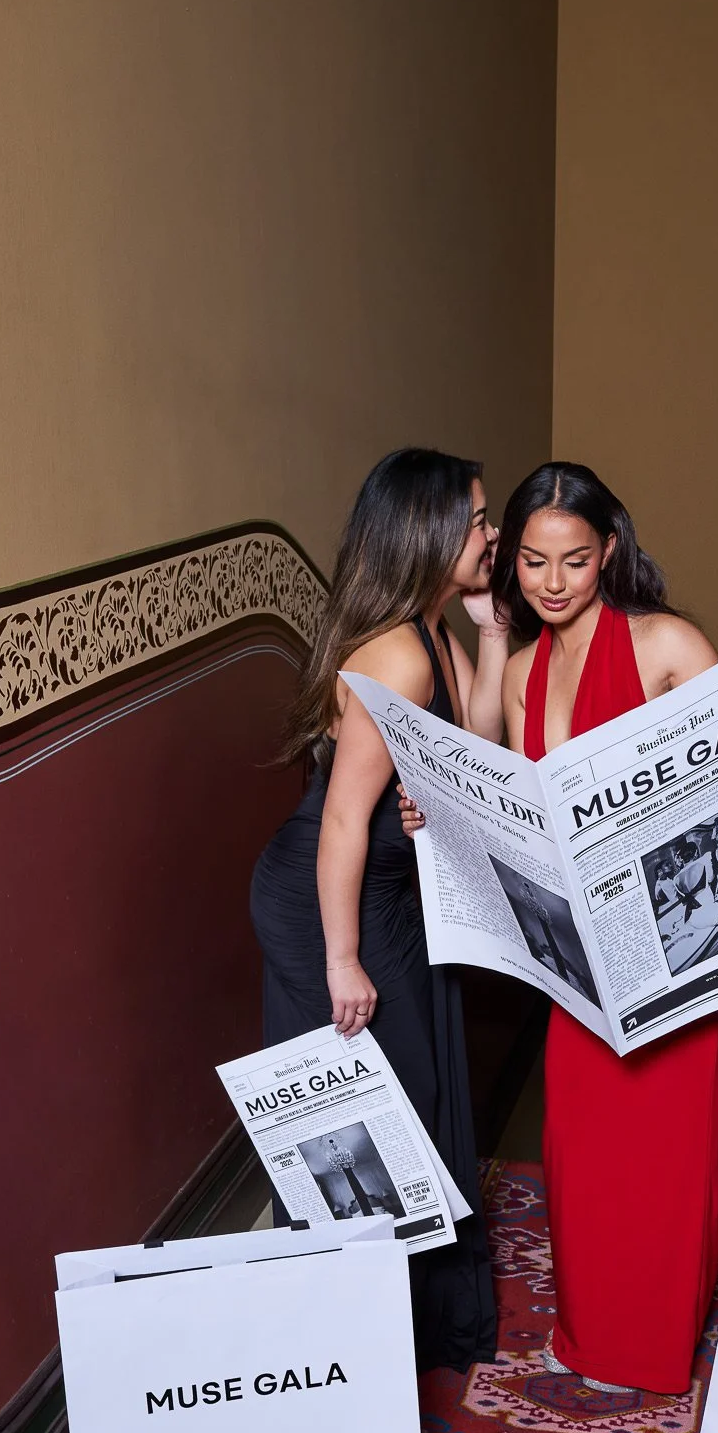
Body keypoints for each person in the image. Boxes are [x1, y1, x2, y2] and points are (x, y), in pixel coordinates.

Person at [406, 461, 718, 1395]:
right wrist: (434, 811)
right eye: (531, 561)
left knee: (668, 1161)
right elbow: (498, 789)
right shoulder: (521, 667)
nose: (553, 582)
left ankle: (653, 1348)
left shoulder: (666, 643)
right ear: (510, 563)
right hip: (580, 960)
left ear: (607, 552)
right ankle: (591, 1332)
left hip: (673, 952)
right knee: (585, 1158)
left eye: (573, 559)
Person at [249, 448, 505, 1373]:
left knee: (420, 1091)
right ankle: (344, 1343)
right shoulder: (398, 652)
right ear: (428, 532)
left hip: (390, 895)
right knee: (366, 1117)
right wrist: (341, 960)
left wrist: (491, 631)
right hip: (330, 899)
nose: (492, 534)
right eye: (477, 519)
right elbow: (347, 821)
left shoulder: (429, 634)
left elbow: (469, 755)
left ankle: (406, 1324)